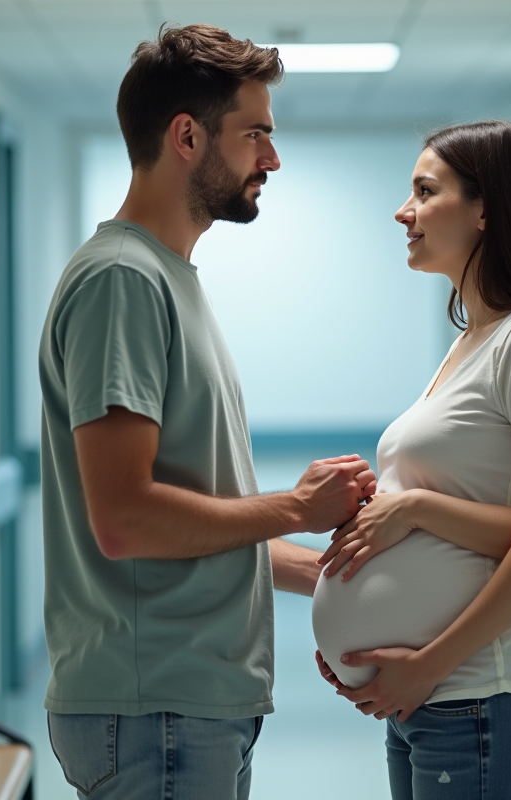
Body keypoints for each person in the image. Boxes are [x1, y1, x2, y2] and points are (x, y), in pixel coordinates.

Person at [37, 24, 376, 800]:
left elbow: (192, 526)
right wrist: (295, 507)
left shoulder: (171, 278)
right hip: (157, 705)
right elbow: (126, 519)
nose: (272, 158)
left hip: (188, 705)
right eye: (255, 134)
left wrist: (341, 575)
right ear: (186, 136)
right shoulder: (122, 281)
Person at [311, 121, 511, 800]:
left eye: (423, 190)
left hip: (485, 693)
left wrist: (414, 511)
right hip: (435, 697)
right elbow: (503, 520)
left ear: (484, 208)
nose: (402, 210)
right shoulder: (473, 340)